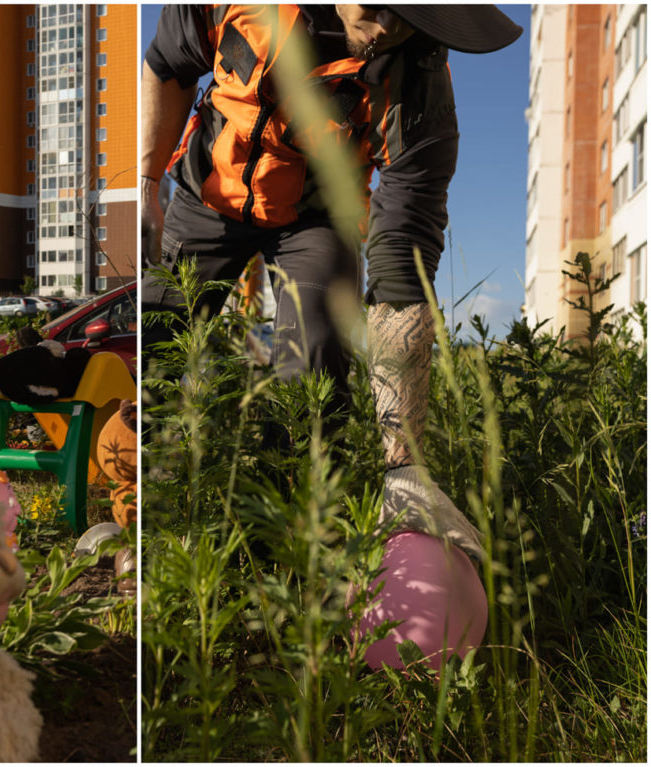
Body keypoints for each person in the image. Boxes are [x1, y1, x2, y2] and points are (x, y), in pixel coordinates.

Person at [141, 6, 522, 561]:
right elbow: (169, 65)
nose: (390, 28)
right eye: (380, 6)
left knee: (316, 366)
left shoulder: (416, 85)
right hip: (208, 195)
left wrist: (404, 465)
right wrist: (148, 183)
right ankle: (148, 511)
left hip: (315, 219)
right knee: (155, 338)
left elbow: (402, 277)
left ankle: (295, 552)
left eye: (412, 18)